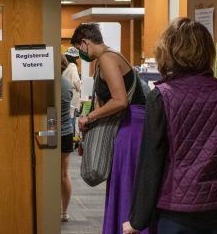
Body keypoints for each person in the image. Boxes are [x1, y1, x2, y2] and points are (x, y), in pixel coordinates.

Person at [123, 18, 217, 234]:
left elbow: (152, 160)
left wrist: (137, 220)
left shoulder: (160, 97)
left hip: (176, 209)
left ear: (168, 52)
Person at [70, 23, 150, 234]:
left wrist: (90, 116)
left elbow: (120, 100)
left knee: (126, 183)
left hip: (131, 127)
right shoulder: (108, 57)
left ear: (85, 43)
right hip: (130, 125)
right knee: (124, 182)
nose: (80, 54)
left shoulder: (106, 58)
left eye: (79, 48)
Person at [60, 54, 73, 222]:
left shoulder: (50, 83)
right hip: (66, 132)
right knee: (64, 174)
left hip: (54, 132)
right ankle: (64, 212)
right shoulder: (66, 83)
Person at [63, 47, 81, 135]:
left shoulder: (65, 65)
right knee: (72, 116)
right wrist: (80, 86)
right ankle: (72, 137)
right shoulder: (73, 66)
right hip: (73, 94)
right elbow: (76, 81)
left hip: (66, 93)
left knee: (67, 115)